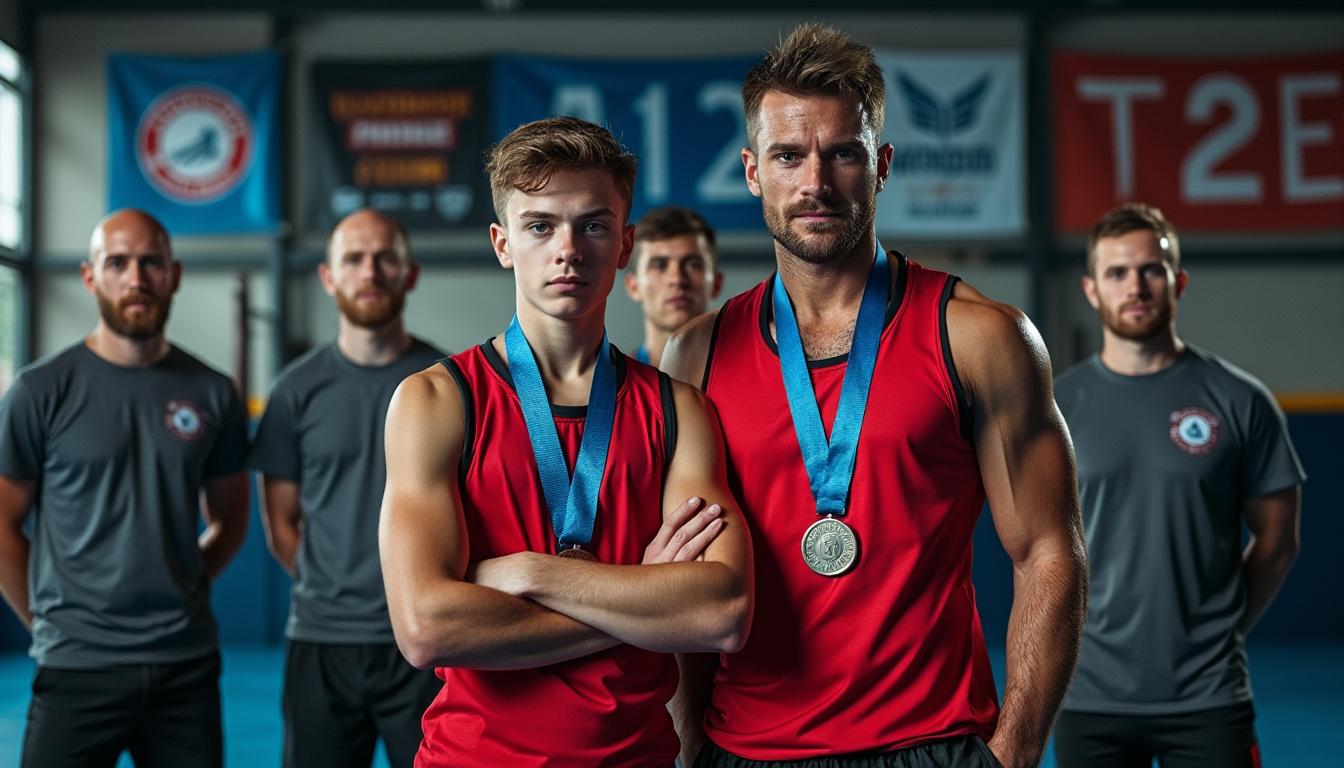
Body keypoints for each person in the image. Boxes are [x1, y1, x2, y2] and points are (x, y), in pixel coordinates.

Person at [662, 24, 1087, 768]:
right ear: (752, 172)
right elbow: (688, 575)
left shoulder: (979, 337)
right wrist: (692, 743)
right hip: (748, 747)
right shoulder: (698, 354)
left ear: (881, 165)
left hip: (930, 743)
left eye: (843, 154)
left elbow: (1050, 551)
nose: (815, 183)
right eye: (788, 156)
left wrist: (1015, 751)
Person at [377, 116, 754, 767]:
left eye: (594, 225)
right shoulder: (435, 401)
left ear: (625, 243)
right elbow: (426, 626)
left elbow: (722, 612)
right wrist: (642, 595)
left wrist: (532, 573)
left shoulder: (679, 410)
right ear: (502, 243)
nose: (568, 250)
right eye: (540, 226)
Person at [1052, 203, 1304, 768]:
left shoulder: (1240, 400)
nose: (1135, 286)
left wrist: (1221, 628)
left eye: (1151, 270)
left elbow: (1278, 540)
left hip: (1208, 696)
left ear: (1178, 282)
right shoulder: (1056, 406)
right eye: (1117, 272)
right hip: (1087, 696)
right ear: (1091, 290)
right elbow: (1034, 545)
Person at [0, 209, 250, 767]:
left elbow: (231, 520)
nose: (135, 279)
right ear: (91, 277)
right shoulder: (39, 392)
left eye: (150, 263)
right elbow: (2, 524)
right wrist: (46, 622)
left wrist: (181, 583)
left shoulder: (213, 393)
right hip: (75, 666)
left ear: (174, 275)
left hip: (184, 666)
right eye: (117, 263)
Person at [249, 209, 444, 768]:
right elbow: (281, 524)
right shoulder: (293, 392)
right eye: (354, 259)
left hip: (426, 638)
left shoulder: (449, 382)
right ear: (328, 277)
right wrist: (335, 591)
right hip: (322, 643)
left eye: (385, 258)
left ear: (410, 274)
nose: (370, 272)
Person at [623, 205, 724, 367]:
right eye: (660, 265)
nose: (677, 279)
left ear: (716, 283)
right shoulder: (611, 381)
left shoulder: (747, 379)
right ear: (633, 286)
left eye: (693, 264)